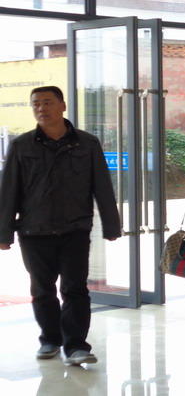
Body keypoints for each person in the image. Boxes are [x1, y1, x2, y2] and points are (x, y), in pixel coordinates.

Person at [0, 86, 121, 366]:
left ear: (62, 106)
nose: (41, 108)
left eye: (47, 102)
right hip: (34, 230)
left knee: (75, 288)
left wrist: (111, 226)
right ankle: (50, 340)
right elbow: (9, 192)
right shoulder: (22, 145)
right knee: (42, 290)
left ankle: (76, 346)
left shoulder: (87, 143)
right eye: (36, 104)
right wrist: (4, 233)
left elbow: (102, 185)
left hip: (75, 229)